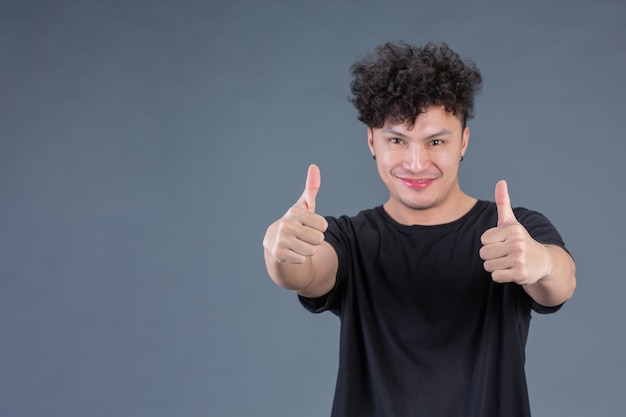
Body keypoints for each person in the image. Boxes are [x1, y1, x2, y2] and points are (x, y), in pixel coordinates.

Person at [262, 41, 576, 417]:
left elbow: (561, 281)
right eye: (397, 140)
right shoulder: (350, 240)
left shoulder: (512, 234)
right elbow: (305, 273)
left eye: (436, 141)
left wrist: (539, 262)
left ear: (463, 142)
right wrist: (280, 250)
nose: (415, 163)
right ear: (371, 142)